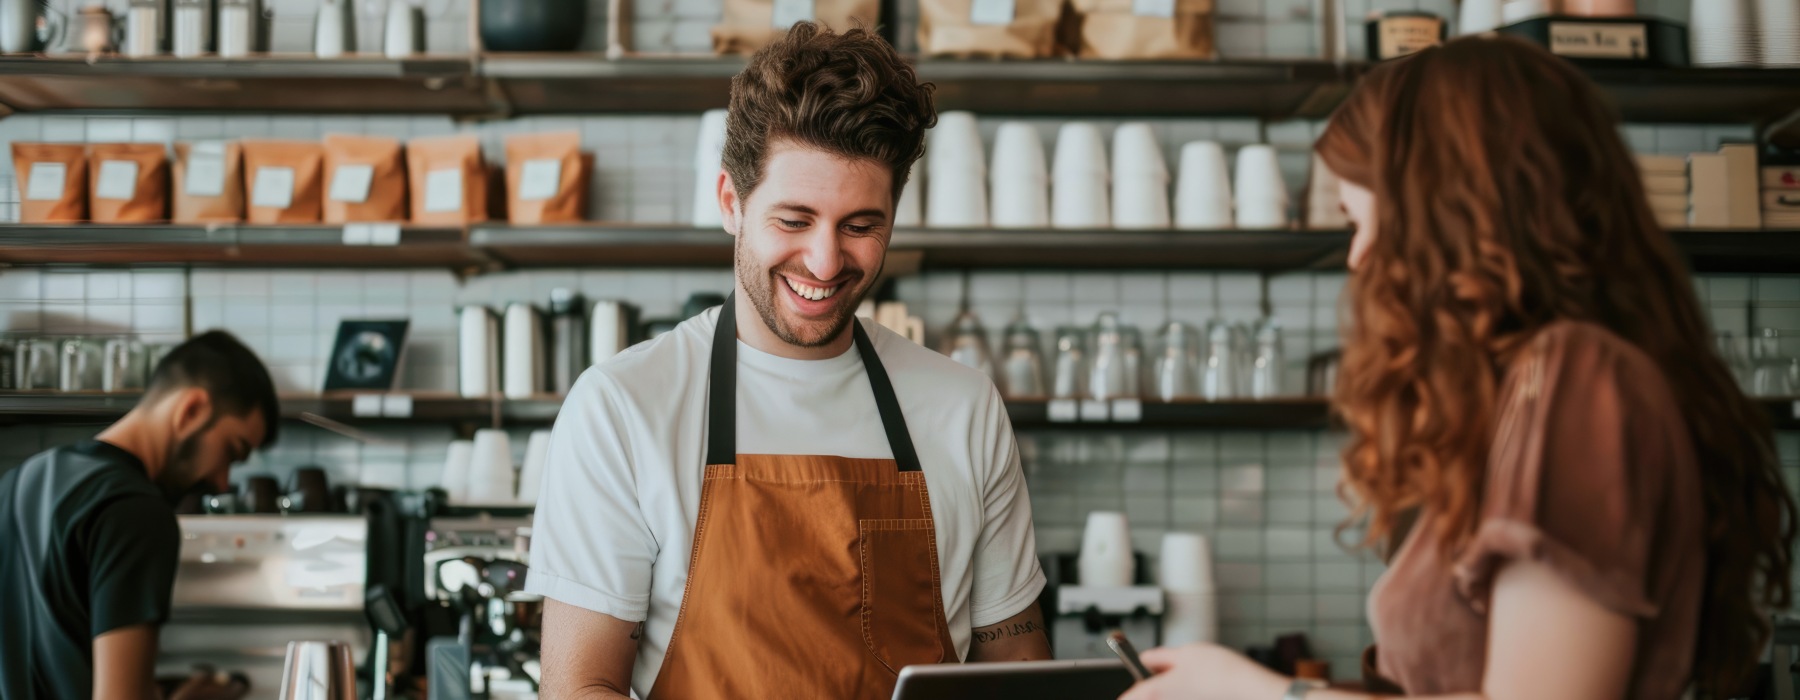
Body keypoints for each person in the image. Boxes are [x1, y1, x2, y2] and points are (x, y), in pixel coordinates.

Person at [1124, 36, 1796, 700]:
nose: (1358, 260)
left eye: (1363, 222)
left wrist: (1265, 697)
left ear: (1445, 215)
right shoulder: (1539, 391)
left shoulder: (1577, 377)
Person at [526, 21, 1050, 700]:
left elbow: (1019, 670)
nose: (826, 262)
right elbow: (580, 688)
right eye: (793, 221)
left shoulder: (962, 407)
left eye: (862, 226)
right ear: (730, 205)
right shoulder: (625, 406)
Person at [0, 330, 280, 700]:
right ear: (192, 410)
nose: (223, 482)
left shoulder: (21, 478)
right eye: (232, 451)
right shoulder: (138, 512)